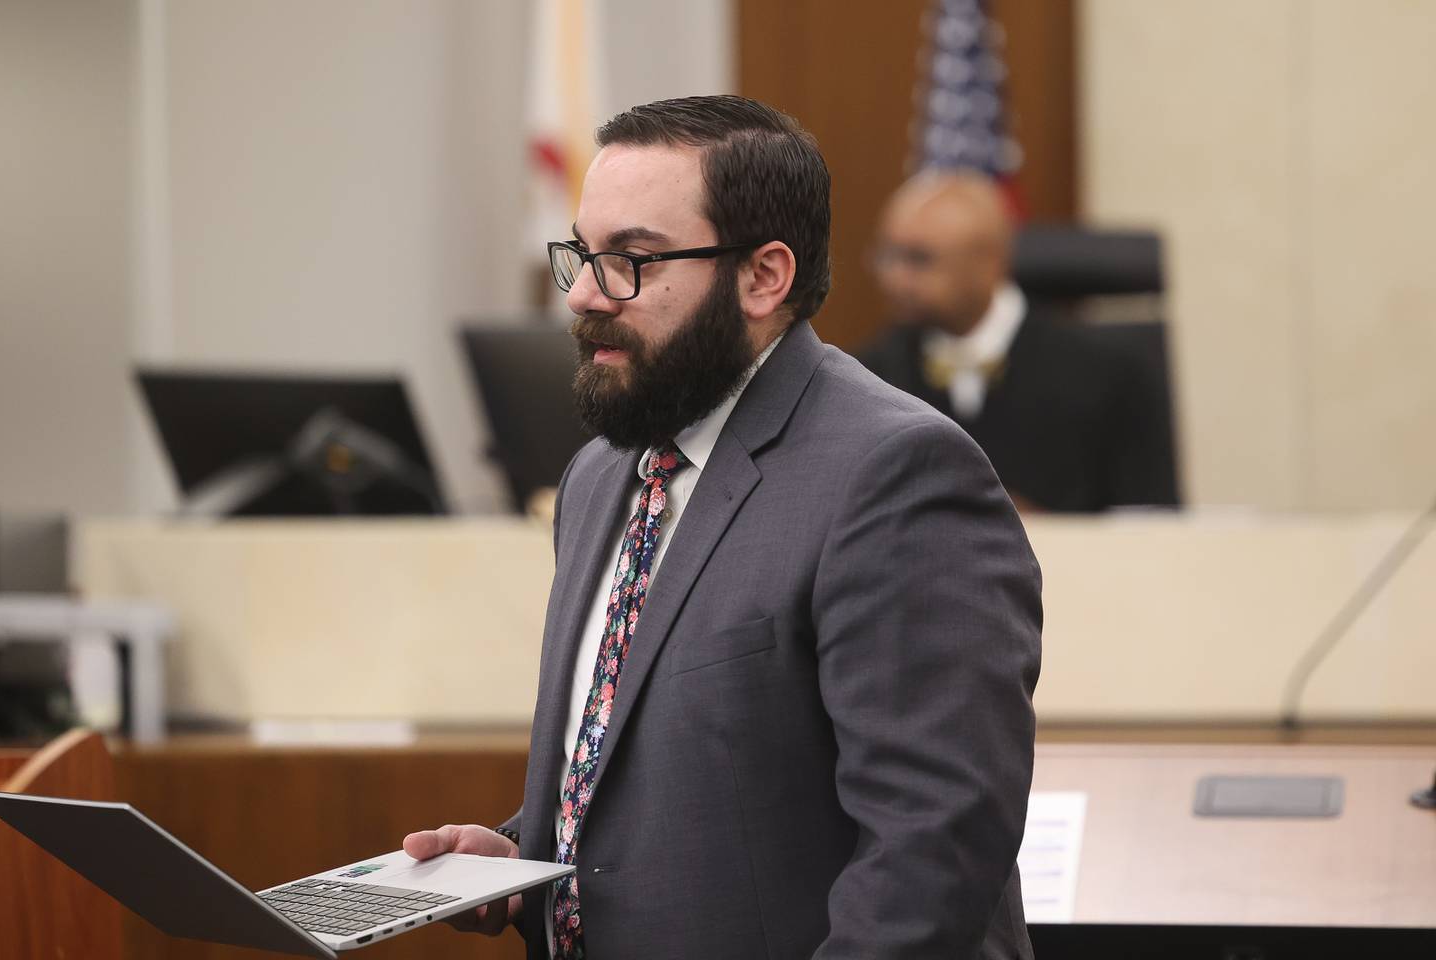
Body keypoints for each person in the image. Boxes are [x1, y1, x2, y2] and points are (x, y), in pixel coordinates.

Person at [404, 96, 1042, 960]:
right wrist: (525, 859)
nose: (585, 293)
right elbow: (650, 766)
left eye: (631, 260)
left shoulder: (898, 475)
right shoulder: (602, 474)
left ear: (763, 277)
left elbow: (934, 851)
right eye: (583, 255)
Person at [859, 171, 1178, 512]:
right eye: (887, 256)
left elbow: (1149, 523)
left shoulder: (1108, 377)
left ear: (990, 263)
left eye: (919, 259)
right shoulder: (868, 380)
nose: (894, 278)